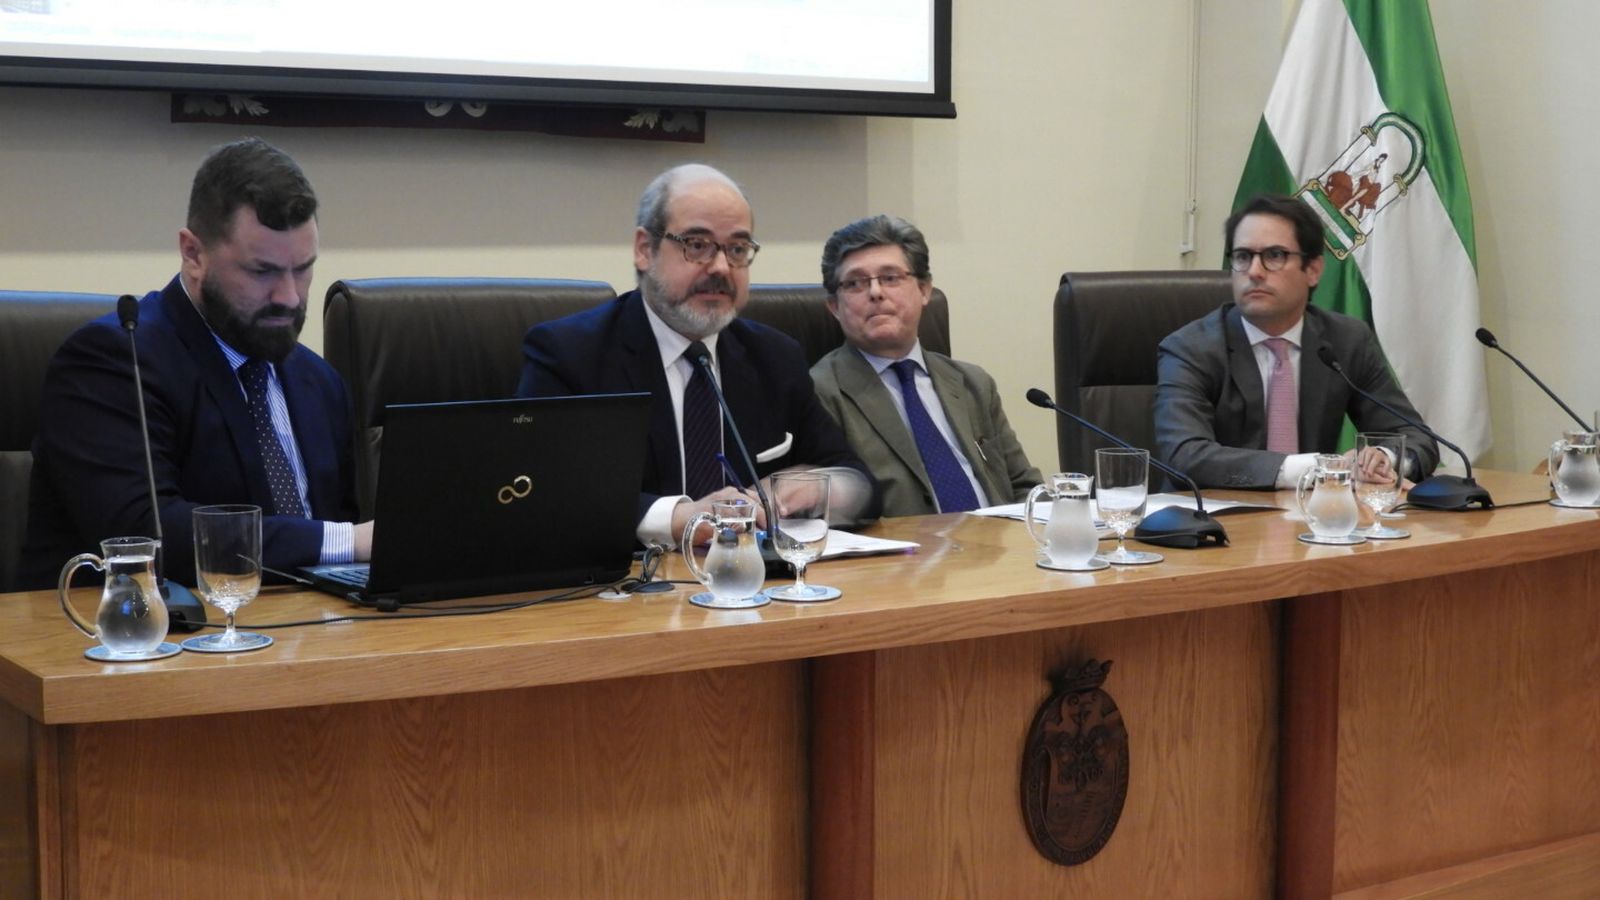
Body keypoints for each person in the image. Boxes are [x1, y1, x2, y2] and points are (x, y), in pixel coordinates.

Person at [24, 138, 367, 588]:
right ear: (193, 254)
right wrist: (345, 543)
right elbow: (144, 535)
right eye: (262, 271)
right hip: (144, 643)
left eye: (302, 268)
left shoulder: (318, 381)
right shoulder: (112, 362)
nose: (289, 296)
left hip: (315, 634)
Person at [516, 163, 875, 547]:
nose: (721, 266)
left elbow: (858, 481)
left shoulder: (775, 357)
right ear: (644, 250)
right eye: (697, 245)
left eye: (737, 249)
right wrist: (678, 518)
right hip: (629, 591)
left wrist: (817, 489)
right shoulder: (571, 354)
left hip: (758, 589)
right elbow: (537, 489)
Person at [1153, 193, 1440, 490]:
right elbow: (1183, 455)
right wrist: (1322, 469)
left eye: (1274, 256)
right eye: (1242, 256)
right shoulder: (1190, 348)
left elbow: (1418, 439)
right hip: (1218, 525)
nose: (1254, 271)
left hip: (1319, 522)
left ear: (1313, 270)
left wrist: (1384, 458)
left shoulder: (1345, 341)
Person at [810, 214, 1040, 516]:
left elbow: (1025, 487)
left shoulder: (973, 383)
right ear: (834, 307)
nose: (876, 292)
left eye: (890, 278)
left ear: (924, 290)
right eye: (855, 283)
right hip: (902, 559)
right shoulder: (819, 392)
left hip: (999, 551)